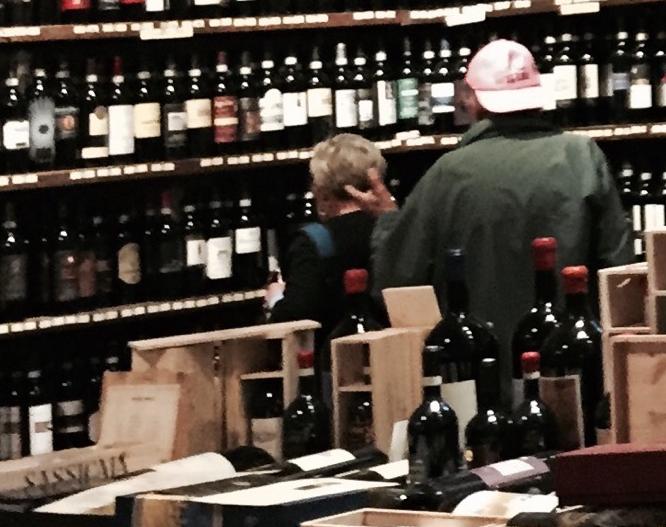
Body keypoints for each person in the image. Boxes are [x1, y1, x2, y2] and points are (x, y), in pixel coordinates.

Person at [372, 38, 637, 346]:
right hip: (570, 353)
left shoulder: (446, 173)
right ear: (537, 98)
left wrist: (388, 220)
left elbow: (398, 282)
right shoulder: (582, 157)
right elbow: (620, 272)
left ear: (474, 101)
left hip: (477, 360)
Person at [270, 131, 393, 327]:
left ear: (322, 190)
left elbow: (296, 316)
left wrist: (275, 299)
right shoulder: (393, 229)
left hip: (335, 344)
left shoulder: (313, 241)